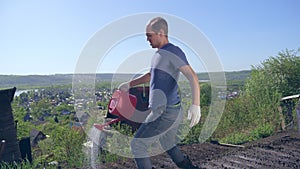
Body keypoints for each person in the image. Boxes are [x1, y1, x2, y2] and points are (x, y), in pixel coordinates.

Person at [119, 17, 201, 169]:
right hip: (170, 110)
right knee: (167, 143)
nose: (147, 39)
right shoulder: (158, 54)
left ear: (161, 32)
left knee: (138, 145)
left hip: (164, 111)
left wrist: (196, 104)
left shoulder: (173, 51)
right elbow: (150, 76)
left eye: (149, 35)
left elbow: (192, 76)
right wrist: (129, 85)